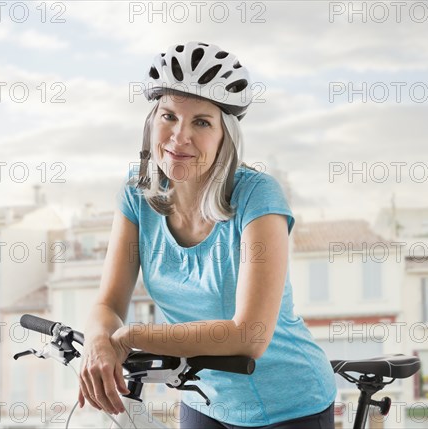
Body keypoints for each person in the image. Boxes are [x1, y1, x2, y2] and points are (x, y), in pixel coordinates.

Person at [78, 41, 337, 428]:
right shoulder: (137, 194)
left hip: (290, 403)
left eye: (201, 122)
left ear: (224, 137)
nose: (179, 137)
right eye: (168, 116)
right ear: (152, 121)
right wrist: (99, 339)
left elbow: (249, 335)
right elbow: (107, 303)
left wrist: (130, 336)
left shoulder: (256, 195)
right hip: (204, 400)